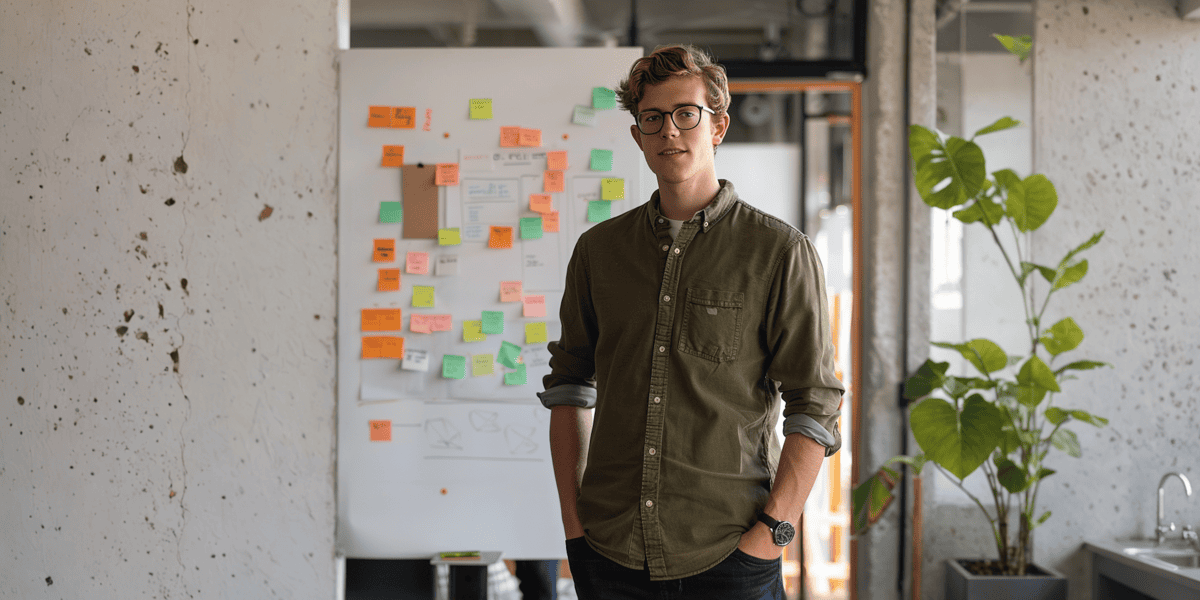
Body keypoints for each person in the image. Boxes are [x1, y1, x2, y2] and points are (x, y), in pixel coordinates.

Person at [537, 44, 845, 600]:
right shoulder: (598, 251)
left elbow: (816, 401)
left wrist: (773, 533)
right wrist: (574, 526)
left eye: (686, 114)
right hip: (608, 551)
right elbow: (568, 386)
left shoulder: (778, 251)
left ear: (718, 126)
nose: (669, 131)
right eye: (653, 118)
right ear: (638, 136)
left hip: (729, 553)